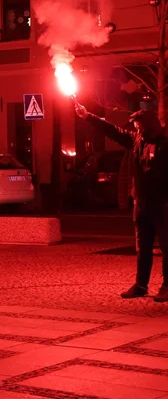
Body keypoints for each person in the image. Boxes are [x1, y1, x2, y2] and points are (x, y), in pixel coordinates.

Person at [76, 103, 168, 301]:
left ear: (148, 126)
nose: (136, 130)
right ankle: (141, 285)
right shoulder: (136, 140)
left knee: (167, 246)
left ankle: (167, 286)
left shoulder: (165, 144)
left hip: (163, 204)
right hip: (142, 203)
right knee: (143, 247)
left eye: (138, 127)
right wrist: (88, 116)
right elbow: (113, 131)